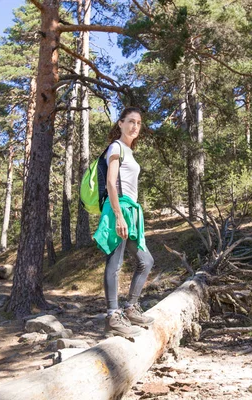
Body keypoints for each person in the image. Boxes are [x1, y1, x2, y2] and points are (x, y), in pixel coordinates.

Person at [93, 107, 155, 338]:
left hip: (130, 210)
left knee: (145, 261)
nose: (135, 127)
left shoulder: (129, 151)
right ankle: (112, 315)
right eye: (130, 122)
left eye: (138, 123)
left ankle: (130, 308)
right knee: (115, 262)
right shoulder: (116, 147)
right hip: (117, 207)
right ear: (120, 123)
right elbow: (111, 182)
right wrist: (118, 215)